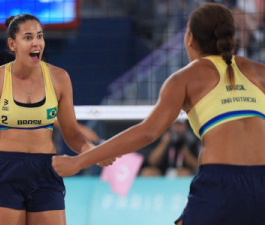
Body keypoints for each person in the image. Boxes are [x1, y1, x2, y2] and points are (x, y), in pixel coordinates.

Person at [52, 2, 265, 224]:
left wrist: (79, 162)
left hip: (221, 181)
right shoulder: (260, 72)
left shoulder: (184, 78)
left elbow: (147, 132)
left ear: (189, 39)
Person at [0, 14, 114, 225]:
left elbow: (72, 134)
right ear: (12, 44)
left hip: (45, 169)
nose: (36, 42)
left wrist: (92, 151)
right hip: (3, 170)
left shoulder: (59, 78)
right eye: (27, 37)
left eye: (40, 36)